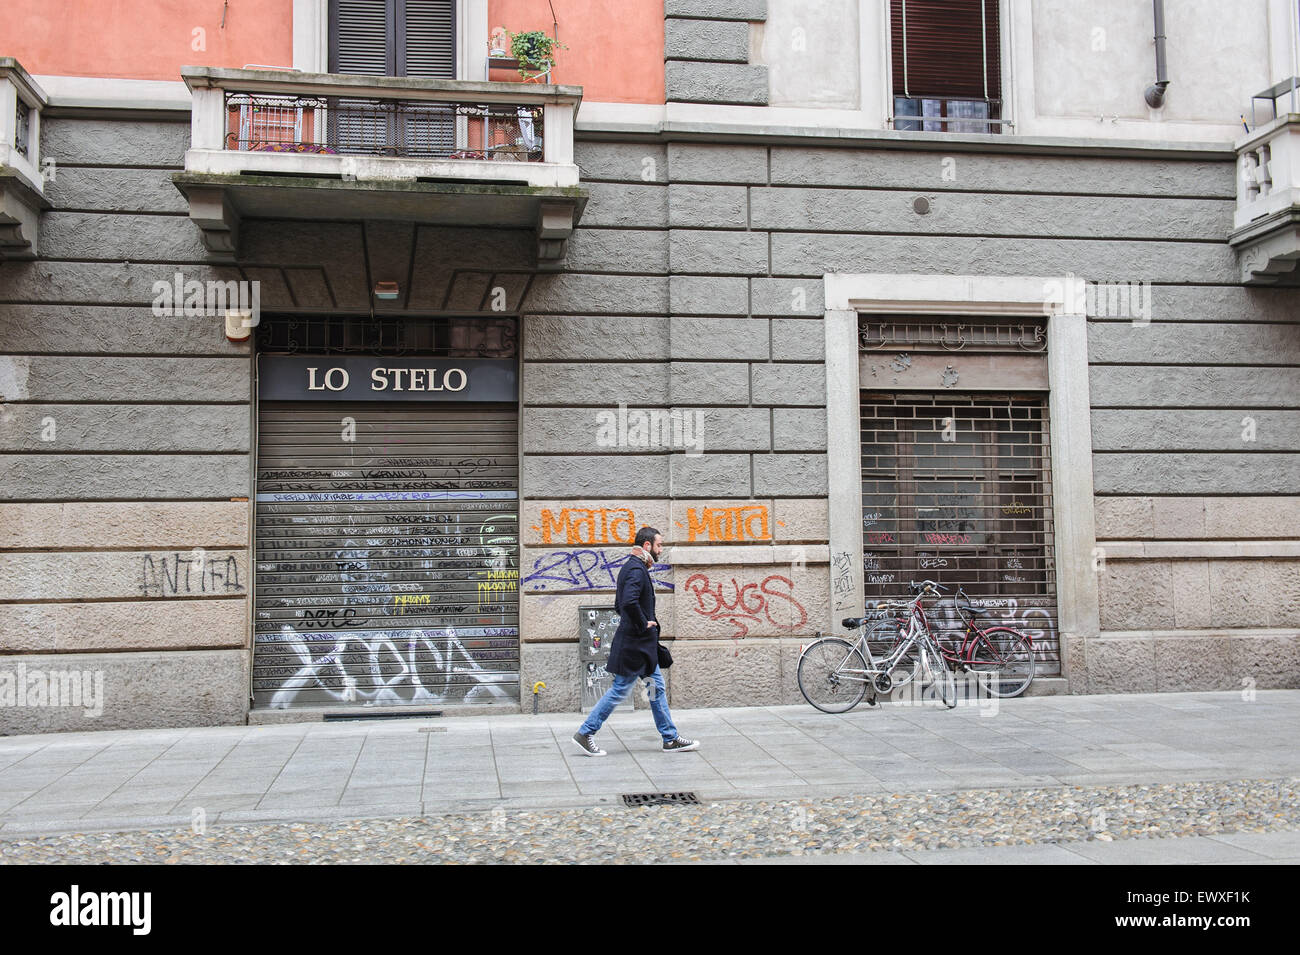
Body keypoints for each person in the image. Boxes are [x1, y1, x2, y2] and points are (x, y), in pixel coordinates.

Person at [572, 527, 699, 756]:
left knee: (656, 688)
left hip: (642, 647)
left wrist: (643, 626)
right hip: (634, 647)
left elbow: (619, 605)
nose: (661, 550)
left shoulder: (633, 567)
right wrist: (644, 623)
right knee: (620, 691)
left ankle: (669, 738)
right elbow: (628, 603)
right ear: (647, 545)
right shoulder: (636, 570)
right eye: (659, 545)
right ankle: (586, 732)